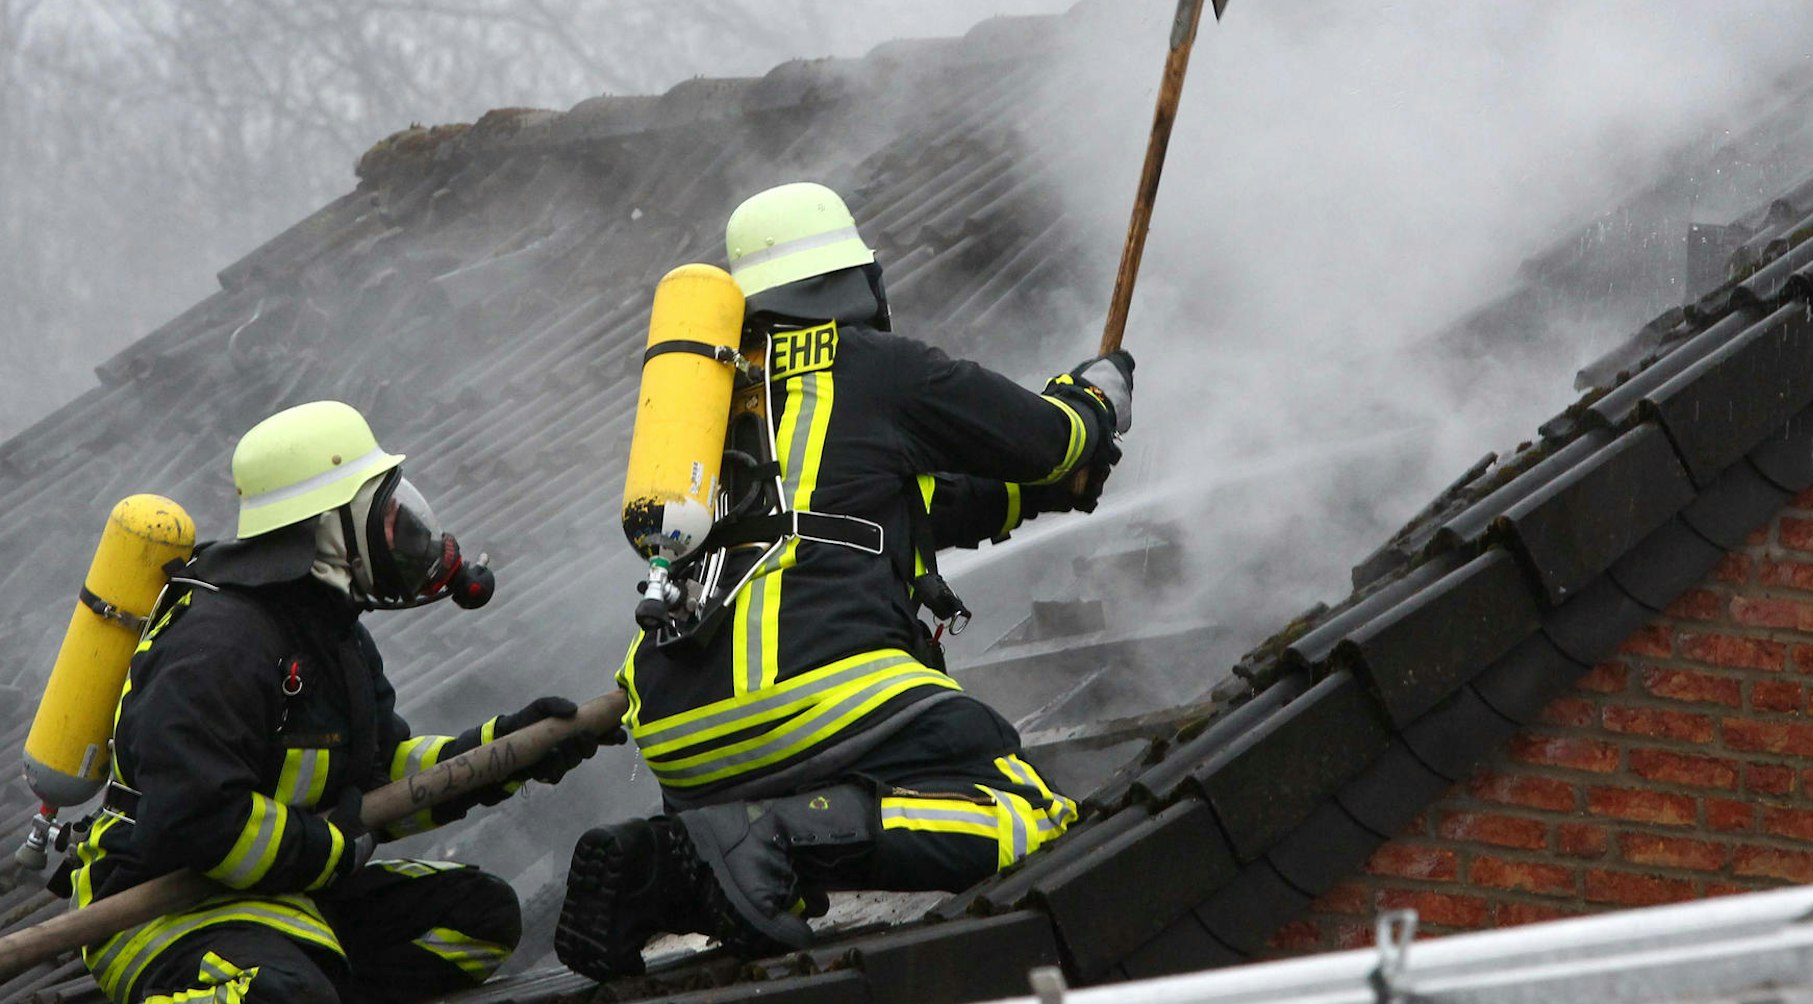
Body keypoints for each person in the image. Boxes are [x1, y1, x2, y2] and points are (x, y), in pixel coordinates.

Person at [554, 181, 1133, 978]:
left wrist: (1034, 500)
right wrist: (1095, 397)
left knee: (738, 856)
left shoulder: (710, 409)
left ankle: (664, 870)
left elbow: (905, 508)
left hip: (679, 740)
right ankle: (780, 837)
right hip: (815, 697)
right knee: (1022, 810)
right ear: (857, 282)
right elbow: (1049, 439)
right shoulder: (876, 369)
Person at [55, 400, 619, 1004]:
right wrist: (331, 848)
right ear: (327, 528)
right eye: (385, 511)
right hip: (170, 911)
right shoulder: (218, 646)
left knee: (479, 918)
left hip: (288, 895)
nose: (404, 531)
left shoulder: (330, 633)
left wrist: (507, 753)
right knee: (286, 997)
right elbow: (198, 821)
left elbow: (381, 782)